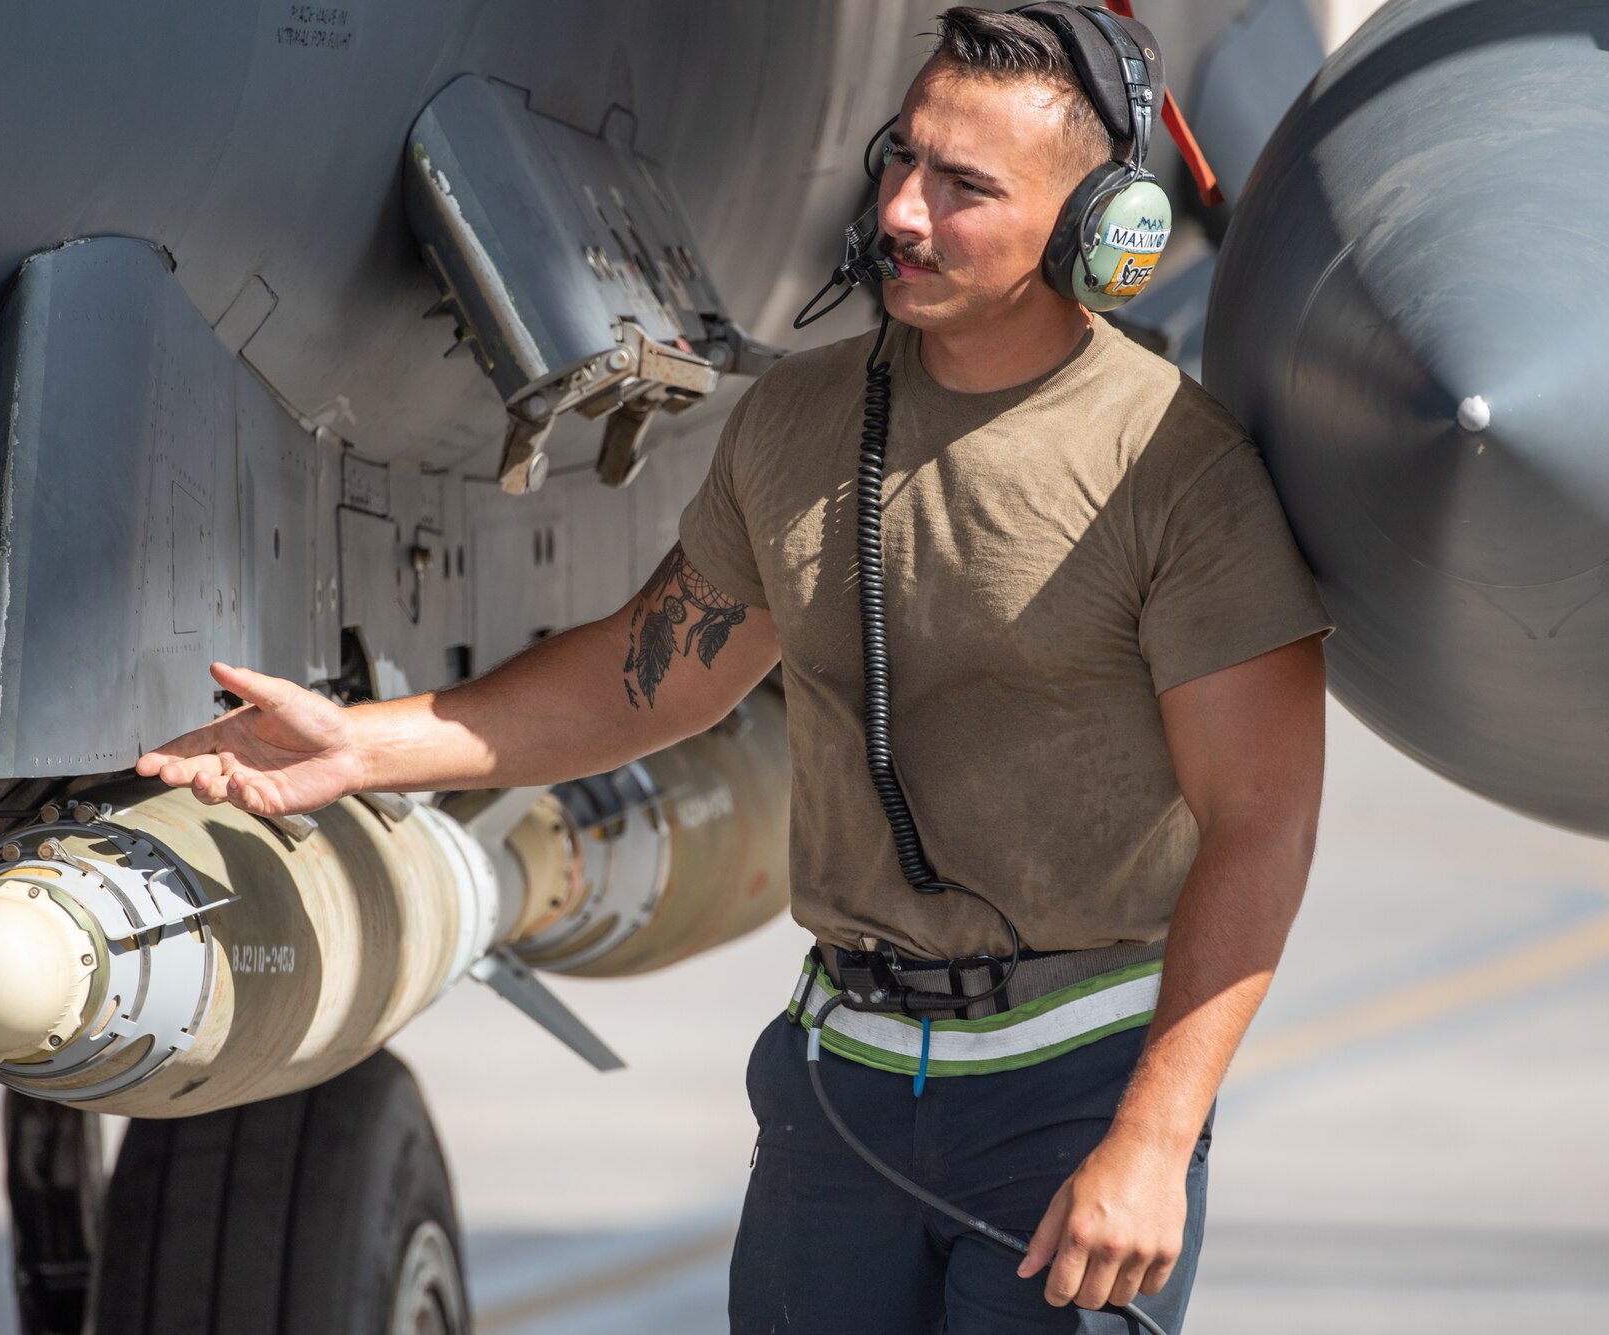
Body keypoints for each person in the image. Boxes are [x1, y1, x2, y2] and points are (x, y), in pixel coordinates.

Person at [136, 7, 1331, 1330]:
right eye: (902, 158)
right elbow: (653, 677)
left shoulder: (1176, 470)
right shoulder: (802, 423)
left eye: (963, 187)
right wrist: (369, 745)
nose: (903, 213)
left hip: (1069, 1100)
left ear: (1098, 226)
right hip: (843, 1096)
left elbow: (1261, 822)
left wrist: (1154, 1144)